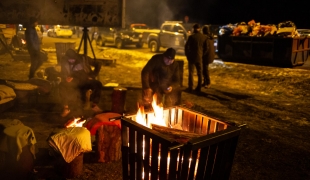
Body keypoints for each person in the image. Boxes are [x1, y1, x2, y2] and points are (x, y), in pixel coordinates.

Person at [59, 48, 103, 117]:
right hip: (74, 81)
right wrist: (66, 78)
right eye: (70, 60)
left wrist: (93, 75)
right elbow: (63, 73)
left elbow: (98, 64)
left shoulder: (83, 58)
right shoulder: (64, 60)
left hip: (86, 79)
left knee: (98, 84)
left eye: (73, 59)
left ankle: (94, 106)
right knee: (62, 85)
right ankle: (66, 108)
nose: (71, 61)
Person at [184, 23, 208, 94]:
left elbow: (186, 47)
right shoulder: (204, 37)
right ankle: (199, 88)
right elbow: (206, 48)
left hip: (191, 57)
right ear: (199, 29)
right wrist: (202, 54)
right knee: (199, 73)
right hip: (199, 57)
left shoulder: (191, 37)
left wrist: (187, 55)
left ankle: (190, 87)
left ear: (194, 29)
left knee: (191, 73)